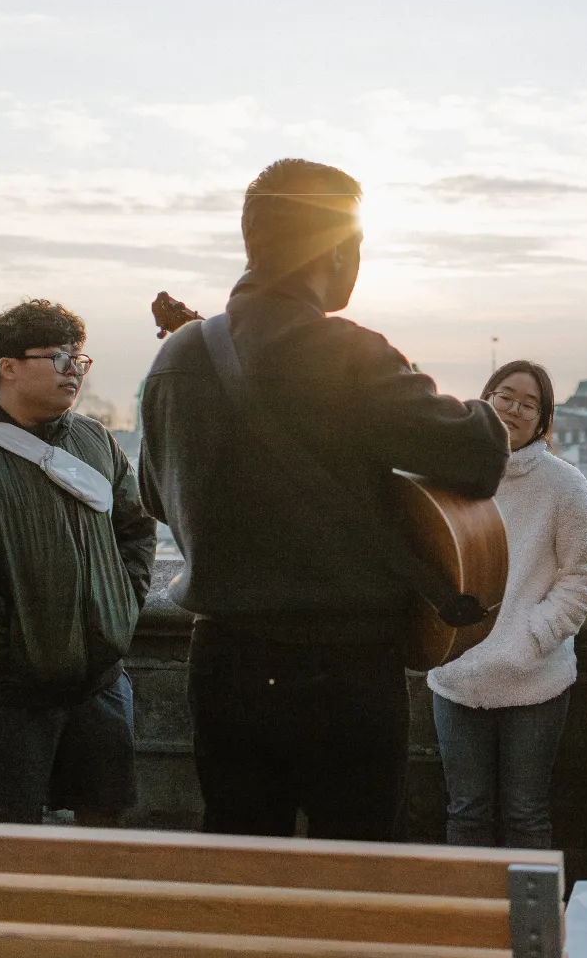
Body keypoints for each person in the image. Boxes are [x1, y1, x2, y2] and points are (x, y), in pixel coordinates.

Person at [137, 158, 509, 841]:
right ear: (336, 249)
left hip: (222, 663)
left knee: (244, 870)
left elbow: (156, 497)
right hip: (341, 667)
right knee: (357, 868)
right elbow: (479, 458)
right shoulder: (345, 353)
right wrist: (487, 409)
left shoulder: (175, 359)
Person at [0, 299, 156, 825]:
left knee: (103, 836)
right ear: (9, 367)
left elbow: (135, 531)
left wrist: (120, 613)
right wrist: (16, 661)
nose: (74, 369)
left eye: (79, 359)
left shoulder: (95, 441)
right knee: (0, 848)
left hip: (99, 683)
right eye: (58, 357)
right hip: (3, 697)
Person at [428, 360, 587, 849]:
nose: (515, 408)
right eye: (506, 395)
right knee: (465, 812)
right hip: (457, 673)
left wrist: (531, 637)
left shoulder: (564, 484)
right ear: (484, 397)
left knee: (526, 813)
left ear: (543, 421)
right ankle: (469, 923)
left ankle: (531, 926)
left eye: (530, 404)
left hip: (534, 675)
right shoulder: (448, 472)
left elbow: (585, 576)